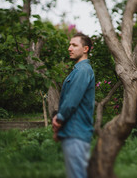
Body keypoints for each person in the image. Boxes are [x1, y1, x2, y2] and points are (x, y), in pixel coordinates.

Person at [52, 33, 95, 178]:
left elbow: (72, 100)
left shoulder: (82, 71)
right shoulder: (79, 70)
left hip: (76, 132)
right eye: (69, 45)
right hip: (72, 132)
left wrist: (59, 119)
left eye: (74, 45)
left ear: (85, 49)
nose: (69, 48)